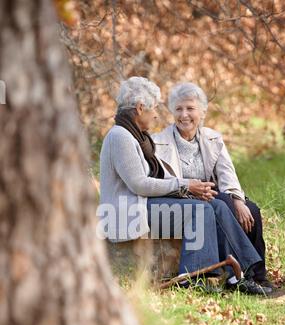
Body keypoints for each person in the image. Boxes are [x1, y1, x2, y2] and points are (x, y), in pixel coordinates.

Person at [99, 76, 271, 295]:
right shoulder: (120, 136)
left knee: (215, 205)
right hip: (128, 212)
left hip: (142, 204)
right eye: (153, 109)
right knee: (200, 209)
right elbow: (140, 185)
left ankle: (239, 275)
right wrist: (186, 186)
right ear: (140, 108)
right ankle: (194, 276)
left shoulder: (134, 135)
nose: (155, 114)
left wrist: (191, 190)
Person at [153, 82, 273, 290]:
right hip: (181, 197)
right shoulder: (158, 142)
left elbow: (227, 173)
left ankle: (258, 275)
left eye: (190, 108)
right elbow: (161, 182)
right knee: (220, 206)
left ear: (202, 111)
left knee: (251, 210)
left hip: (211, 193)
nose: (184, 115)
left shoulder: (213, 138)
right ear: (172, 111)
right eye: (179, 109)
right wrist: (189, 189)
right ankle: (240, 276)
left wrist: (238, 200)